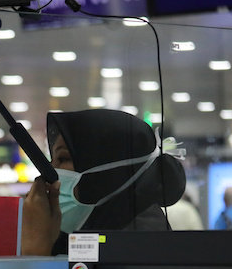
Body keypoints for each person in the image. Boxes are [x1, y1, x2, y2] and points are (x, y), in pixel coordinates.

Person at [21, 109, 186, 256]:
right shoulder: (93, 227)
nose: (52, 171)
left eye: (63, 158)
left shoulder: (140, 242)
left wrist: (35, 250)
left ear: (109, 174)